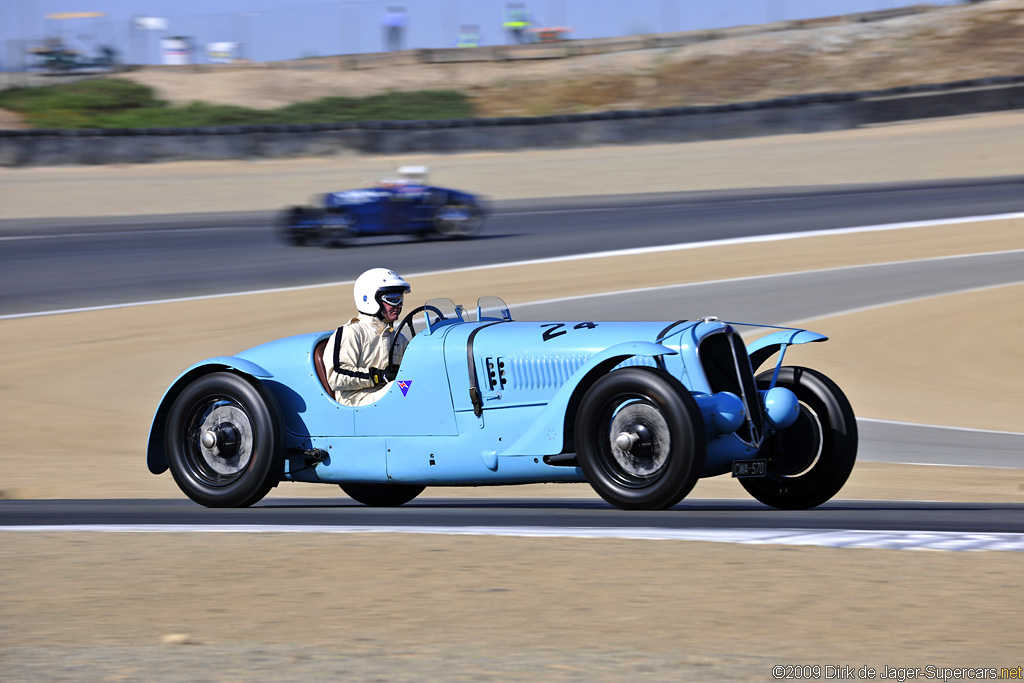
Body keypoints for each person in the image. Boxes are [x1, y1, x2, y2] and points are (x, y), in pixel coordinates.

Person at [323, 268, 411, 406]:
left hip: (385, 395)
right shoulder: (351, 332)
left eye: (400, 299)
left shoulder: (398, 338)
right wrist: (378, 376)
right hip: (356, 400)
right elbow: (336, 377)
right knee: (403, 388)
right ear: (369, 299)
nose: (398, 306)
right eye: (392, 299)